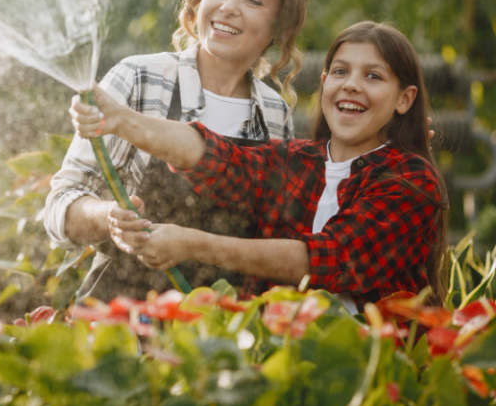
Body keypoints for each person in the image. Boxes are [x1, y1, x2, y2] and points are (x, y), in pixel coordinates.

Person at [70, 21, 449, 312]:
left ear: (405, 99)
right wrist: (120, 120)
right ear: (324, 83)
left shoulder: (412, 181)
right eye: (340, 71)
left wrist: (191, 244)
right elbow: (214, 157)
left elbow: (321, 260)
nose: (351, 85)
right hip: (278, 368)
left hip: (373, 373)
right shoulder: (297, 162)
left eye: (373, 76)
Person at [44, 0, 308, 301]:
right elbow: (61, 206)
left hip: (224, 328)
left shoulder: (273, 114)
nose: (229, 7)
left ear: (279, 25)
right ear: (199, 0)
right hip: (123, 319)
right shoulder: (139, 78)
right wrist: (109, 217)